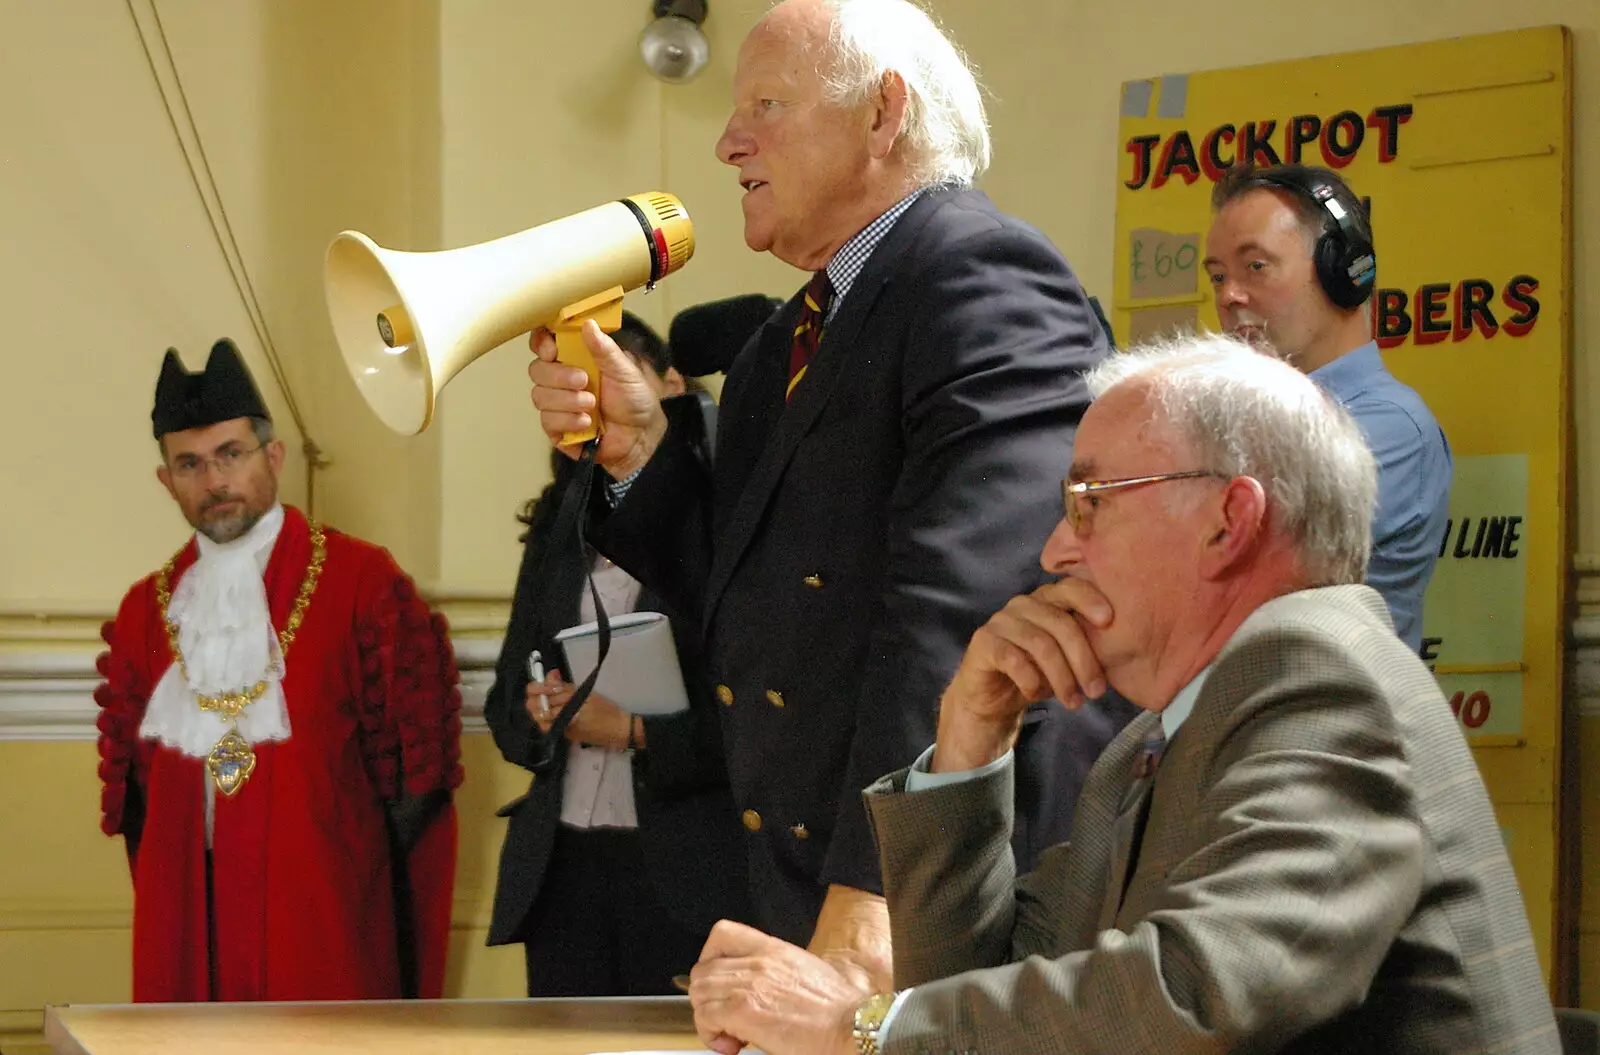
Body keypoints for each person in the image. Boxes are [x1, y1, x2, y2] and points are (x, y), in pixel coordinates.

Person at [685, 334, 1558, 1055]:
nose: (1057, 548)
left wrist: (857, 1026)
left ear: (1231, 518)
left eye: (1090, 500)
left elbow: (1201, 988)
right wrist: (967, 740)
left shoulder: (1321, 670)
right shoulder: (1172, 726)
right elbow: (971, 989)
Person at [526, 0, 1130, 985]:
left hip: (944, 916)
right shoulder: (787, 342)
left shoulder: (981, 276)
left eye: (766, 103)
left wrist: (874, 893)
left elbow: (961, 610)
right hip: (805, 892)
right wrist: (638, 448)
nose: (727, 143)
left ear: (884, 113)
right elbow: (742, 600)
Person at [94, 339, 463, 1002]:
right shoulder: (142, 612)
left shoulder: (363, 582)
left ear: (273, 455)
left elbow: (414, 786)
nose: (214, 482)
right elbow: (141, 807)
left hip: (322, 927)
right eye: (190, 464)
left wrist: (336, 871)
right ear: (166, 479)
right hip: (189, 927)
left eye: (230, 454)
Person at [484, 314, 750, 995]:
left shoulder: (721, 518)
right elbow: (507, 693)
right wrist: (537, 710)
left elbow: (757, 710)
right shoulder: (558, 520)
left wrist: (635, 730)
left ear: (667, 383)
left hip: (683, 865)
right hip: (563, 855)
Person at [1203, 163, 1452, 652]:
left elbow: (1224, 584)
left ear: (1344, 271)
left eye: (1255, 266)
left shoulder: (1389, 429)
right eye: (1217, 277)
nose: (1229, 295)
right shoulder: (1232, 419)